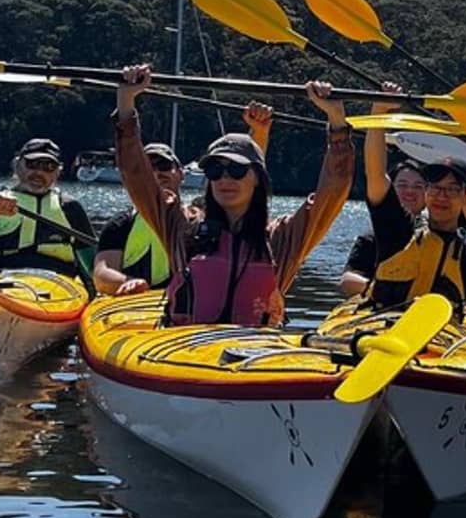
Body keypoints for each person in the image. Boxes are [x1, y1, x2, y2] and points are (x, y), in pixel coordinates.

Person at [114, 64, 353, 326]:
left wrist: (336, 119)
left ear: (257, 179)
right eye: (216, 170)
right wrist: (126, 103)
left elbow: (332, 192)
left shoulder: (281, 239)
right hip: (187, 350)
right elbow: (137, 177)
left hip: (251, 351)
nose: (225, 178)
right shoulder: (183, 226)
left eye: (237, 170)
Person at [360, 91, 466, 317]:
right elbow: (376, 175)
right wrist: (379, 112)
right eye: (435, 188)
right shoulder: (399, 230)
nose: (441, 196)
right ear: (426, 192)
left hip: (438, 339)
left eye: (451, 189)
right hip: (380, 325)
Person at [93, 102, 273, 296]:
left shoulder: (198, 218)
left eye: (163, 165)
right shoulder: (121, 224)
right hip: (135, 301)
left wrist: (259, 132)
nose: (156, 174)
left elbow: (243, 177)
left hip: (188, 304)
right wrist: (129, 283)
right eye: (148, 168)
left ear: (180, 173)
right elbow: (101, 273)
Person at [0, 138, 96, 276]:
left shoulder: (70, 208)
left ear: (58, 172)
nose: (39, 173)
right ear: (17, 164)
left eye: (48, 167)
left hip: (58, 284)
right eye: (32, 164)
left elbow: (94, 265)